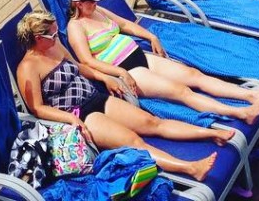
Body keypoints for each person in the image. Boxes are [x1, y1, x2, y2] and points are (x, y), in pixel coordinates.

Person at [15, 10, 225, 183]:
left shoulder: (55, 45)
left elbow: (79, 67)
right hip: (80, 115)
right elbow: (37, 108)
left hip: (95, 97)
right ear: (37, 39)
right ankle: (190, 168)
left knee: (152, 122)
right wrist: (72, 119)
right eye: (51, 35)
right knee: (134, 141)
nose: (56, 37)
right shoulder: (27, 68)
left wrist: (104, 77)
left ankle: (207, 133)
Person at [65, 0, 259, 121]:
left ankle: (252, 95)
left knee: (194, 75)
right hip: (125, 71)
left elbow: (125, 25)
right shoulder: (75, 27)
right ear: (77, 3)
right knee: (181, 92)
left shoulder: (98, 10)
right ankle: (242, 113)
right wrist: (121, 73)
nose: (94, 2)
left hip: (139, 55)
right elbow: (87, 62)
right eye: (90, 0)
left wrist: (151, 35)